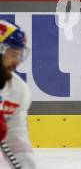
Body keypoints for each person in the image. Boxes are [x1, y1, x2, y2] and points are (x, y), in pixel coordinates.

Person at [0, 20, 36, 169]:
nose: (18, 62)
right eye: (13, 55)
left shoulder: (18, 92)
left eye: (20, 55)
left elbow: (16, 141)